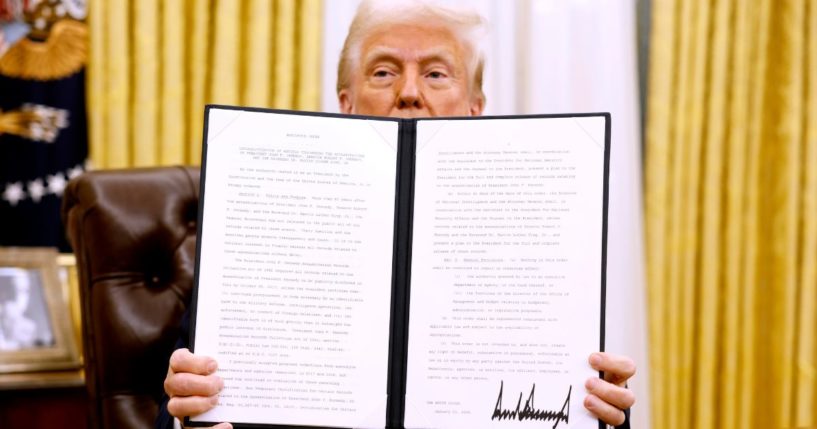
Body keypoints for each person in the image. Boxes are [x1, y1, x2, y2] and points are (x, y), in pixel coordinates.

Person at [159, 2, 636, 428]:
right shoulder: (263, 236)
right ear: (346, 104)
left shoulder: (541, 251)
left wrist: (605, 418)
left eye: (435, 74)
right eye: (384, 72)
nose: (409, 92)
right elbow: (179, 414)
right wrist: (192, 421)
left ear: (475, 109)